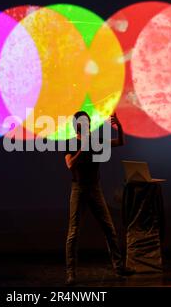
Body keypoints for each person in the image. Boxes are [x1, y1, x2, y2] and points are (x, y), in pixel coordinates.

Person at [64, 111, 132, 285]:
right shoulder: (71, 143)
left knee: (109, 228)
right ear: (76, 125)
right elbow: (70, 164)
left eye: (87, 121)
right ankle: (71, 273)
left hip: (95, 188)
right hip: (78, 189)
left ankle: (119, 267)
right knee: (73, 232)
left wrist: (120, 126)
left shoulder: (96, 141)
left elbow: (120, 142)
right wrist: (82, 149)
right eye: (82, 122)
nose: (85, 124)